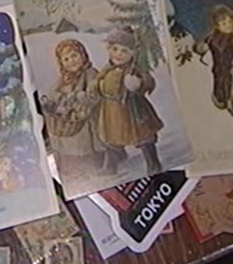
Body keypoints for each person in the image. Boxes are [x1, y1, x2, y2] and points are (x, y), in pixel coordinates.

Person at [92, 26, 164, 175]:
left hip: (133, 109)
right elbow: (96, 81)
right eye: (115, 49)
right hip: (111, 111)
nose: (118, 54)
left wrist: (139, 83)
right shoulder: (107, 68)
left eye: (124, 51)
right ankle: (110, 166)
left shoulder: (134, 69)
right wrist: (98, 86)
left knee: (144, 136)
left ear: (132, 54)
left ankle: (153, 163)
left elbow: (148, 81)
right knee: (111, 138)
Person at [42, 40, 104, 172]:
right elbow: (52, 92)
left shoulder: (90, 73)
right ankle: (73, 161)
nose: (72, 61)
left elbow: (94, 95)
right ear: (61, 63)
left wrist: (76, 96)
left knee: (86, 134)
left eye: (74, 55)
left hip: (88, 113)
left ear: (83, 55)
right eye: (66, 59)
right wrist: (61, 97)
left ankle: (94, 158)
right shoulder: (66, 77)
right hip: (70, 115)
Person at [196, 5, 233, 111]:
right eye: (224, 24)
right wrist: (201, 48)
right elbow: (200, 46)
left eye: (230, 22)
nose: (228, 25)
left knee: (232, 86)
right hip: (219, 67)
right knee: (220, 84)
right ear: (217, 26)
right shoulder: (213, 37)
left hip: (232, 66)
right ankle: (221, 99)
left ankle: (232, 104)